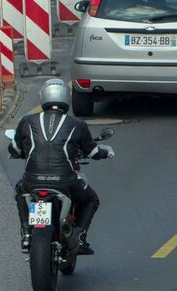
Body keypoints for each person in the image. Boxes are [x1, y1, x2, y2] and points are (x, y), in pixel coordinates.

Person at [8, 79, 114, 255]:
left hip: (32, 182)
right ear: (67, 97)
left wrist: (22, 151)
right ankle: (80, 237)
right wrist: (105, 152)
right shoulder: (77, 125)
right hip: (65, 182)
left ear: (43, 97)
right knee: (91, 199)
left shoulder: (27, 121)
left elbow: (14, 149)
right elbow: (93, 152)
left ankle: (26, 231)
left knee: (21, 190)